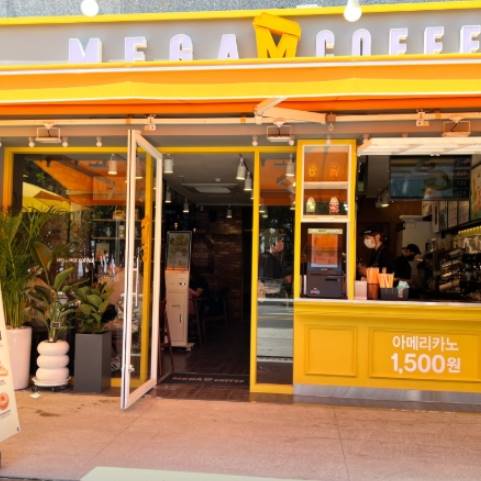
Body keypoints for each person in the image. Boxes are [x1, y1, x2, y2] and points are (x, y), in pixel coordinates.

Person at [259, 232, 292, 297]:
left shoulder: (274, 258)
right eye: (280, 240)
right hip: (271, 299)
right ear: (272, 243)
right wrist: (285, 280)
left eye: (282, 241)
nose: (282, 243)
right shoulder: (267, 259)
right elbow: (266, 283)